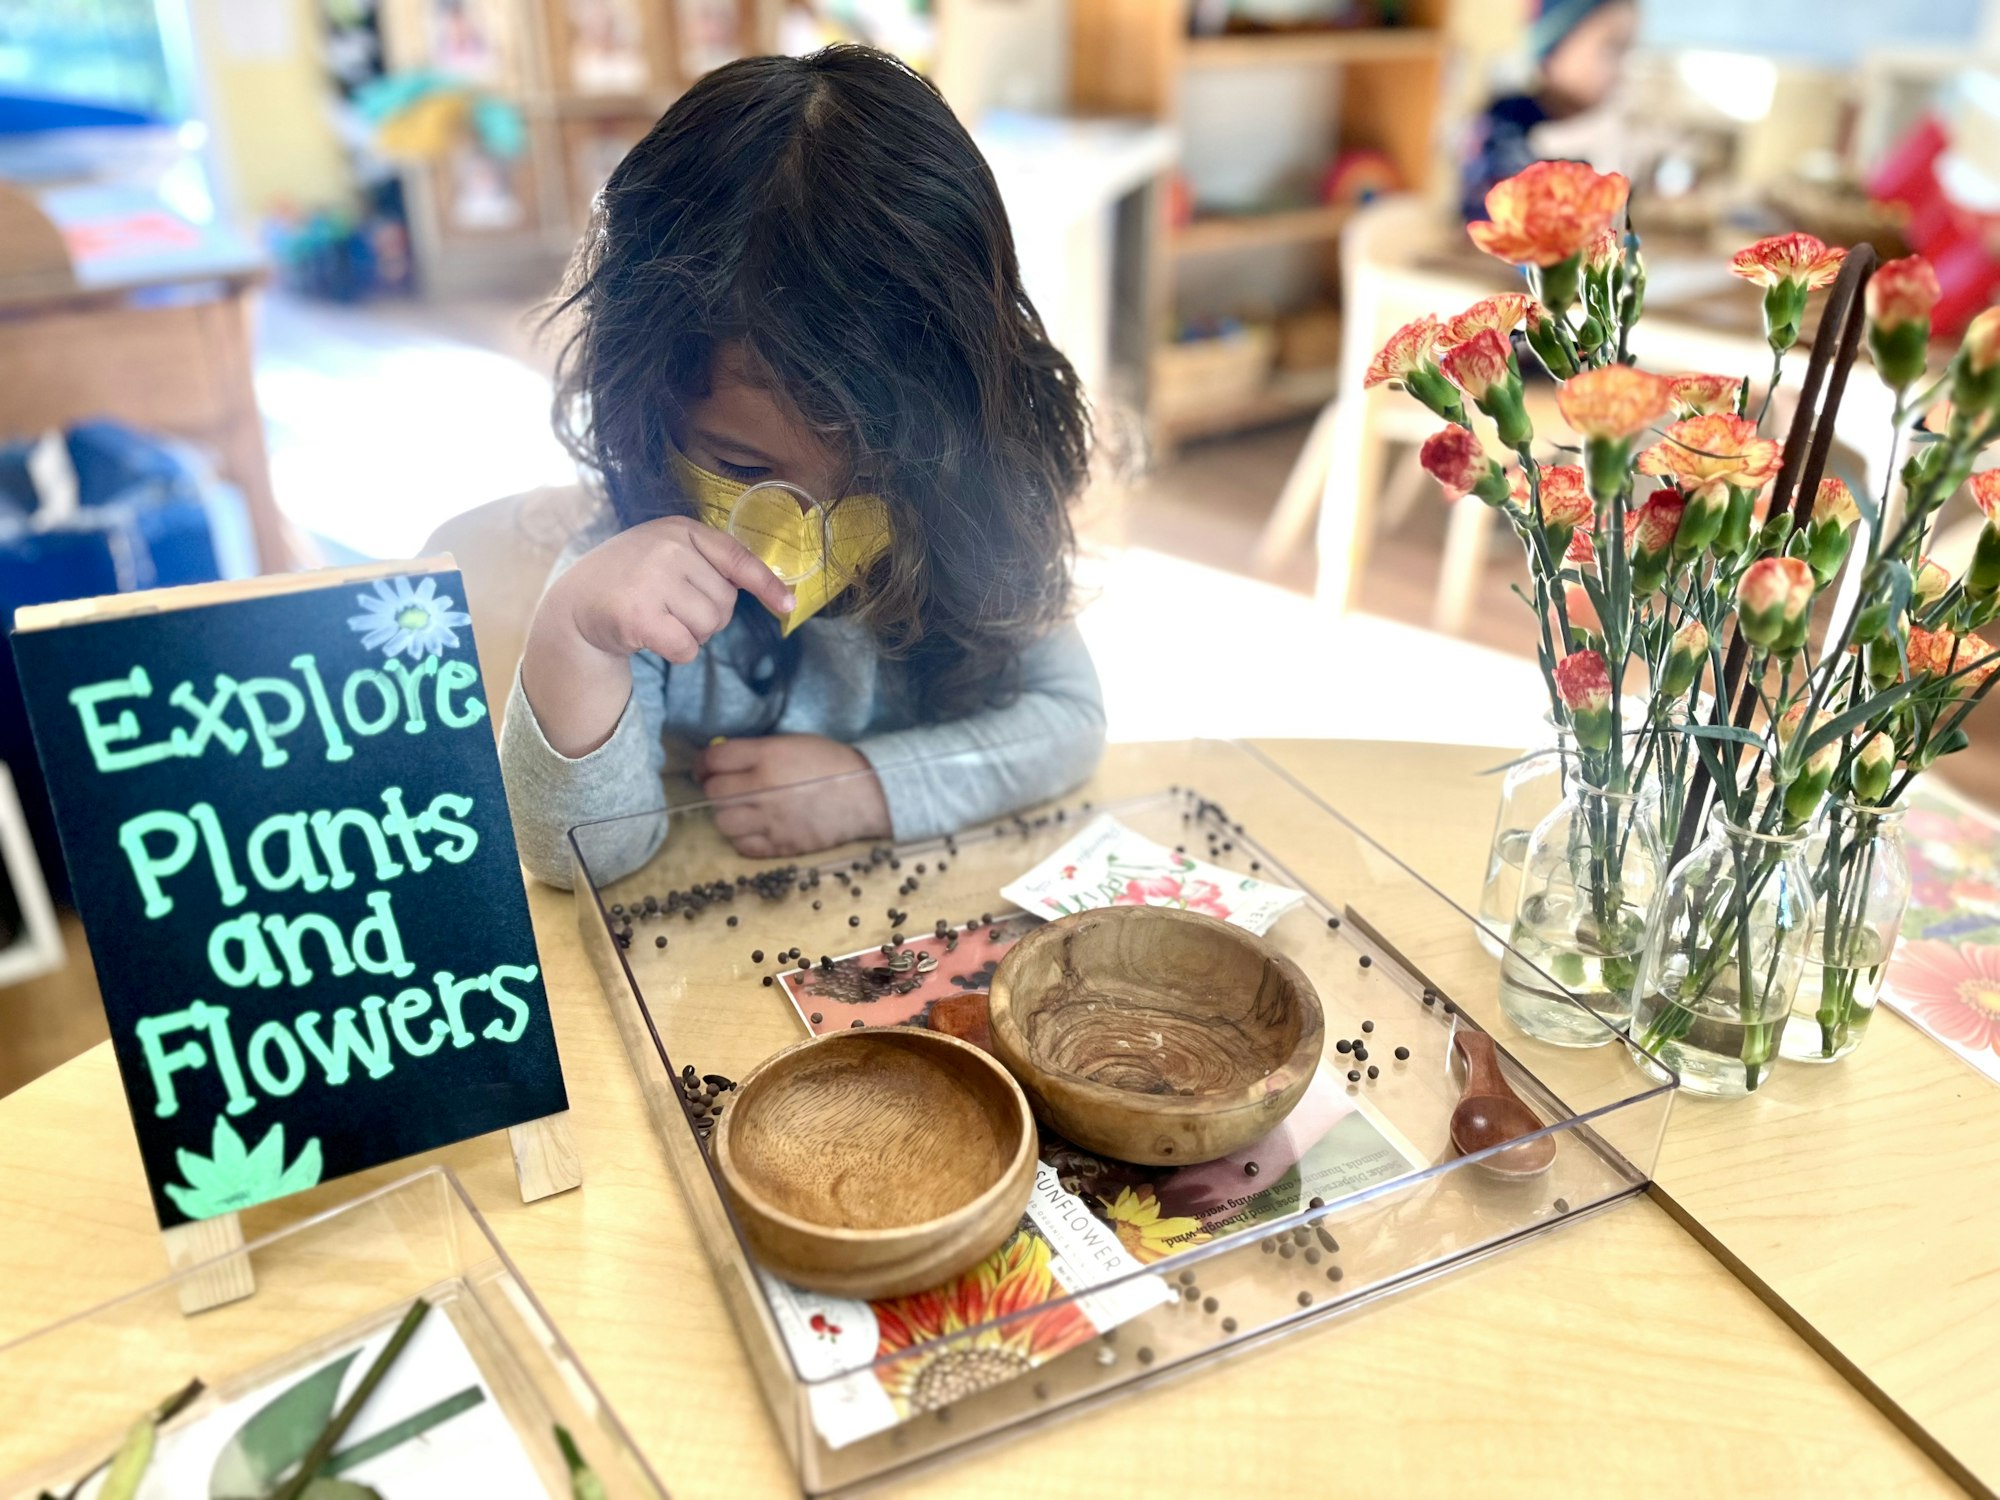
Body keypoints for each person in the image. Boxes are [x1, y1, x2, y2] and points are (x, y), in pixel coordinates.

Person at [502, 45, 1105, 887]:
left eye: (876, 478)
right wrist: (574, 636)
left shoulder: (977, 515)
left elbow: (1070, 723)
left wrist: (865, 789)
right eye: (744, 470)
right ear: (651, 406)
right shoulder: (631, 581)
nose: (809, 534)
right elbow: (582, 858)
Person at [1460, 0, 1640, 221]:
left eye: (1628, 52)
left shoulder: (1612, 129)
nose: (1622, 70)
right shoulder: (1504, 123)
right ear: (1553, 46)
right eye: (1611, 48)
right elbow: (1495, 213)